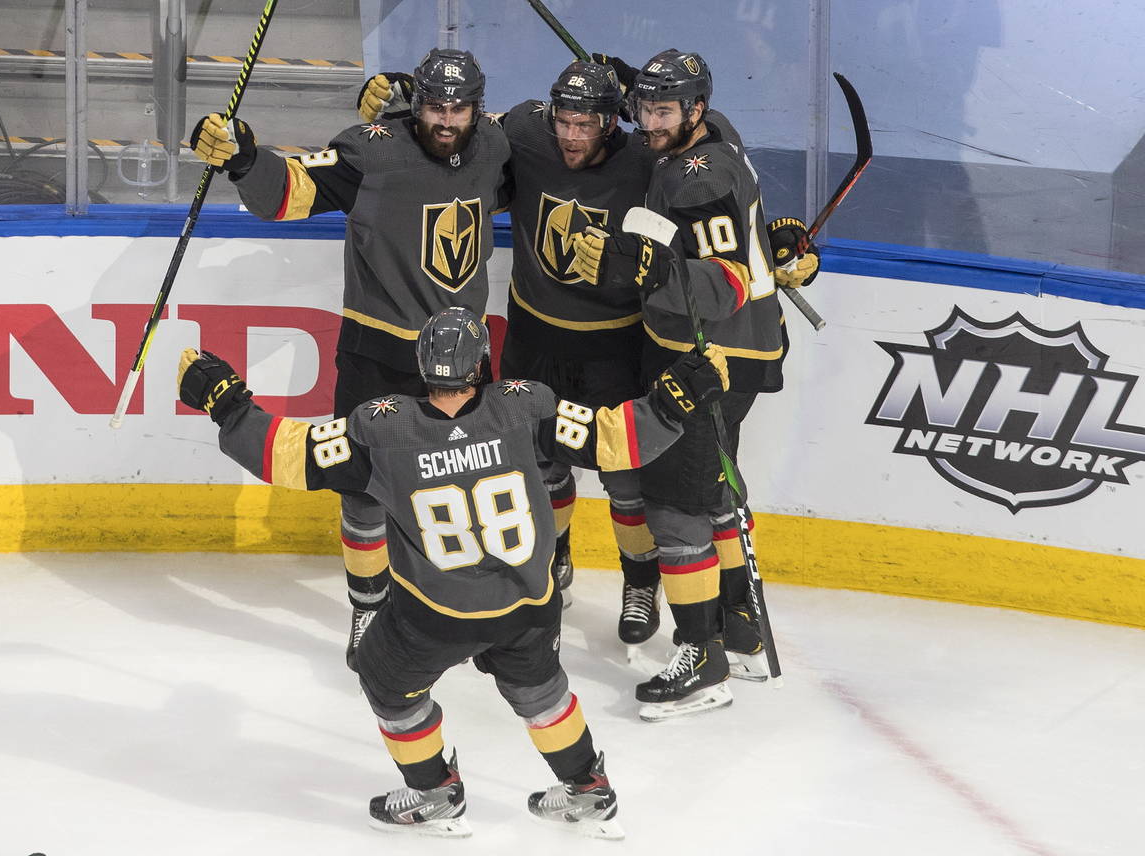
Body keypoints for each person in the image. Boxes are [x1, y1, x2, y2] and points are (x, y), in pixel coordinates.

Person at [175, 306, 730, 836]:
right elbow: (618, 439)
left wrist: (226, 401)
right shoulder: (525, 407)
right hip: (529, 605)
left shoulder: (381, 429)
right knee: (542, 693)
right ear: (483, 363)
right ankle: (588, 787)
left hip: (436, 616)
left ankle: (435, 792)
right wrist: (674, 397)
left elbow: (284, 453)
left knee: (386, 684)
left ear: (423, 365)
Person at [188, 48, 512, 670]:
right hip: (378, 351)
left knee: (469, 481)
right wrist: (244, 157)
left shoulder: (495, 144)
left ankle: (469, 604)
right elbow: (289, 194)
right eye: (436, 106)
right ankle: (369, 603)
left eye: (460, 106)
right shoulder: (373, 151)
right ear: (416, 105)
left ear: (477, 105)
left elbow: (555, 145)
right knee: (362, 490)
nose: (448, 119)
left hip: (465, 353)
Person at [358, 60, 665, 649]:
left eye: (586, 125)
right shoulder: (525, 131)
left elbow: (709, 156)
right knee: (541, 468)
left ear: (612, 121)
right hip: (533, 338)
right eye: (565, 122)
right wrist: (395, 106)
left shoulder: (645, 162)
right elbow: (452, 134)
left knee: (624, 475)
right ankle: (557, 559)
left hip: (613, 345)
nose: (571, 136)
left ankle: (640, 580)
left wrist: (769, 242)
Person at [571, 49, 820, 720]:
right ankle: (737, 627)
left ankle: (700, 658)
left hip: (713, 355)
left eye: (660, 111)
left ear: (694, 112)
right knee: (710, 489)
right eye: (642, 109)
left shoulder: (699, 179)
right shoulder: (717, 134)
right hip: (730, 348)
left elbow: (726, 280)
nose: (647, 123)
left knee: (672, 498)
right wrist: (628, 79)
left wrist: (641, 266)